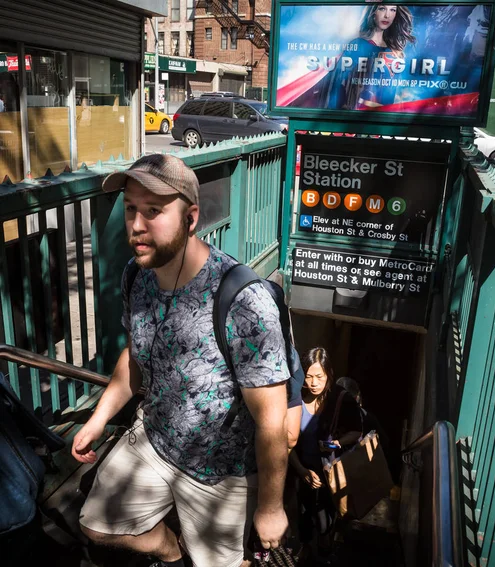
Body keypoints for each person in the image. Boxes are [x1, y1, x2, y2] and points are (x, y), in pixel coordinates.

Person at [72, 154, 290, 567]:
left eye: (154, 211)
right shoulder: (137, 275)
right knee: (96, 524)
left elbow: (272, 420)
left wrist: (270, 507)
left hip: (218, 475)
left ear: (191, 218)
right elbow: (134, 356)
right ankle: (172, 553)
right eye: (132, 208)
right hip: (153, 441)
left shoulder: (244, 300)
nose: (137, 225)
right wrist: (98, 419)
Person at [289, 347, 362, 561]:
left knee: (324, 520)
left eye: (319, 377)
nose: (313, 383)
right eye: (308, 377)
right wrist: (301, 471)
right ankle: (306, 548)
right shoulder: (295, 397)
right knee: (302, 514)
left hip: (330, 473)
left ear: (329, 374)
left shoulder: (340, 398)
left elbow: (357, 431)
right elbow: (287, 442)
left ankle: (325, 546)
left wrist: (336, 444)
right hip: (301, 471)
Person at [325, 4, 416, 110]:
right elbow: (337, 83)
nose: (387, 15)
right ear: (373, 12)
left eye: (392, 10)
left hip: (384, 116)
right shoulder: (358, 45)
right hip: (357, 114)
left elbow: (397, 89)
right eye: (382, 9)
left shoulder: (396, 51)